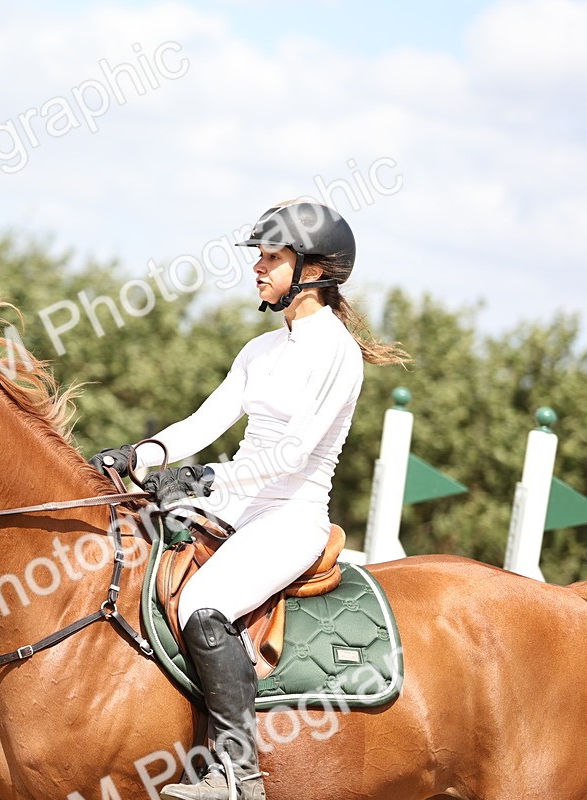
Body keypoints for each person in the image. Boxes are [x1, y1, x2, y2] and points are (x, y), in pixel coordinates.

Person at [89, 200, 409, 800]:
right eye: (258, 257)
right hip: (236, 507)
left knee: (202, 605)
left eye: (272, 257)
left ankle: (238, 777)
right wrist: (139, 455)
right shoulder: (260, 351)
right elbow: (200, 423)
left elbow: (291, 454)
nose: (258, 268)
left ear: (312, 268)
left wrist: (206, 478)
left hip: (291, 520)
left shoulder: (333, 351)